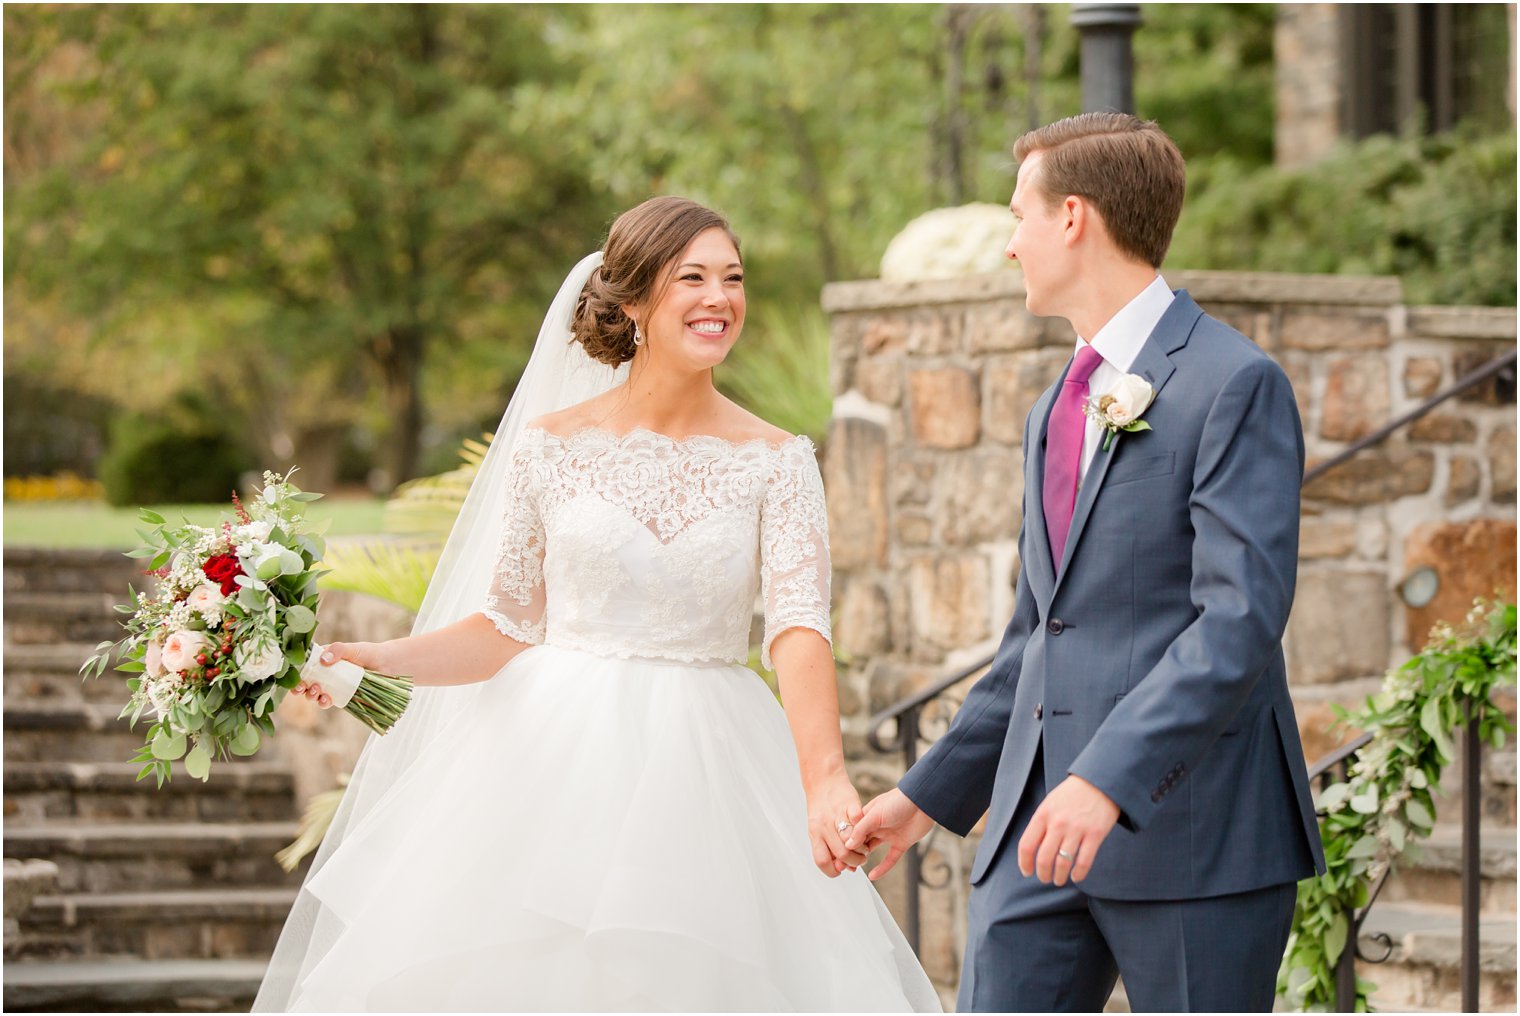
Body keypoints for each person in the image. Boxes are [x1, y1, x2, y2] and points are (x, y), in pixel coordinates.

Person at [254, 197, 939, 1012]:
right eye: (693, 277)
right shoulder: (550, 446)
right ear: (636, 301)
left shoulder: (778, 462)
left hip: (710, 766)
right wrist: (378, 657)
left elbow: (798, 627)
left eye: (733, 278)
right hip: (545, 763)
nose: (720, 298)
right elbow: (507, 625)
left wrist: (825, 779)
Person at [847, 113, 1326, 1012]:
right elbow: (1040, 635)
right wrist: (925, 796)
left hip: (1196, 834)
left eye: (1018, 216)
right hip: (1036, 840)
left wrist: (1105, 780)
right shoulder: (1053, 407)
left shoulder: (1234, 382)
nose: (1007, 245)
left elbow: (1239, 622)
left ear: (1073, 217)